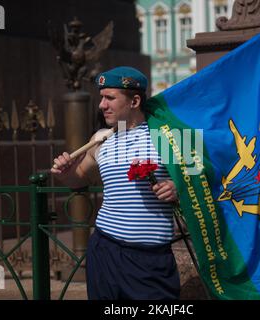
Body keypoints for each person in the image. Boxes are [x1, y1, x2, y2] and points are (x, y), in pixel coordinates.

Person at [51, 66, 181, 300]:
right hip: (105, 249)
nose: (102, 105)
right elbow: (79, 179)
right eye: (101, 97)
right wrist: (65, 174)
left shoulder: (168, 136)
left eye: (110, 98)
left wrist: (178, 187)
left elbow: (204, 185)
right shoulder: (100, 139)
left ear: (135, 101)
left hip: (150, 260)